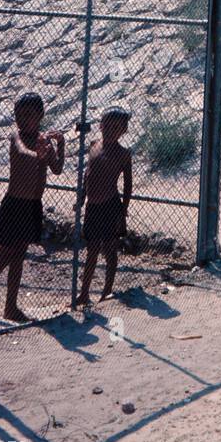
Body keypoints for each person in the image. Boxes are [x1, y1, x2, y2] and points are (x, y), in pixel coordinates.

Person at [0, 94, 64, 322]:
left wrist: (60, 145)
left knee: (19, 256)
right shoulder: (17, 137)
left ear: (41, 115)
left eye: (29, 115)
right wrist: (39, 153)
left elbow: (57, 169)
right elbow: (23, 153)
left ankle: (10, 307)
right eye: (19, 116)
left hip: (32, 205)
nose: (23, 120)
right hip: (14, 204)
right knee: (6, 254)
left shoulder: (44, 140)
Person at [75, 107, 133, 307]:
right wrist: (81, 198)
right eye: (107, 125)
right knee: (91, 249)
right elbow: (87, 175)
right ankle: (84, 293)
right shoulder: (94, 145)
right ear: (100, 125)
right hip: (93, 206)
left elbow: (127, 186)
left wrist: (123, 210)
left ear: (123, 131)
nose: (110, 130)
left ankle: (107, 289)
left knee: (109, 249)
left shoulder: (123, 154)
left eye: (116, 127)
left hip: (110, 206)